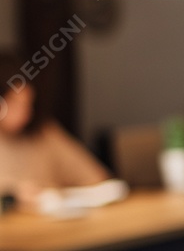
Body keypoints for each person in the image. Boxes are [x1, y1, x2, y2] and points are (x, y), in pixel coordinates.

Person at [0, 53, 112, 206]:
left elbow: (94, 176)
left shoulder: (43, 133)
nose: (24, 113)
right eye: (14, 103)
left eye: (27, 104)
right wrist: (12, 193)